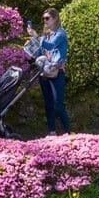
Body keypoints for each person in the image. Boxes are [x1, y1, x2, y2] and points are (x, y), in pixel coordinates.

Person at [28, 8, 71, 136]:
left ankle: (68, 133)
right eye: (44, 18)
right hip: (45, 71)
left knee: (58, 104)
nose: (44, 21)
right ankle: (52, 132)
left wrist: (36, 36)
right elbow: (43, 51)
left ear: (55, 18)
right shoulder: (48, 34)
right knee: (48, 104)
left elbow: (51, 46)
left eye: (47, 18)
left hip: (56, 72)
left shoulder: (60, 34)